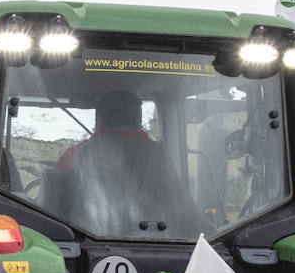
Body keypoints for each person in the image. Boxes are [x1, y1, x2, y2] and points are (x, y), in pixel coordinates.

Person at [54, 88, 198, 236]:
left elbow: (48, 205)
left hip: (84, 247)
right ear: (138, 121)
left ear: (99, 120)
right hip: (156, 250)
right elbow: (188, 215)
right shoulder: (160, 156)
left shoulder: (76, 154)